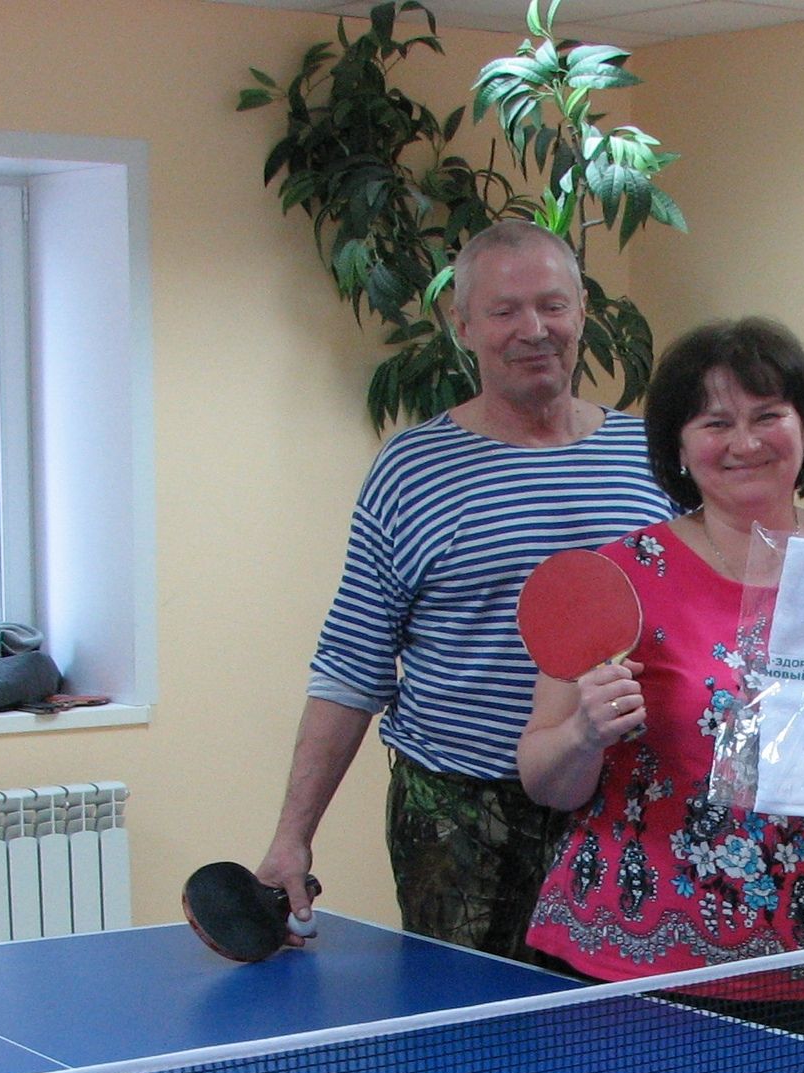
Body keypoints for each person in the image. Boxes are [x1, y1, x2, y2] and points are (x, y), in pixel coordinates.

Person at [255, 222, 671, 958]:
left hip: (624, 801)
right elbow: (352, 665)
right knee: (467, 1023)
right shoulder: (411, 470)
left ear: (582, 311)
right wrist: (293, 837)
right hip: (459, 818)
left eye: (552, 305)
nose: (533, 330)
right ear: (464, 325)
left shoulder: (653, 457)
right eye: (505, 311)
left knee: (612, 1026)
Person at [517, 317, 804, 985]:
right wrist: (584, 733)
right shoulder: (617, 578)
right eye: (715, 423)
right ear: (679, 446)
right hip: (630, 959)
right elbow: (544, 781)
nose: (745, 442)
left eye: (767, 415)